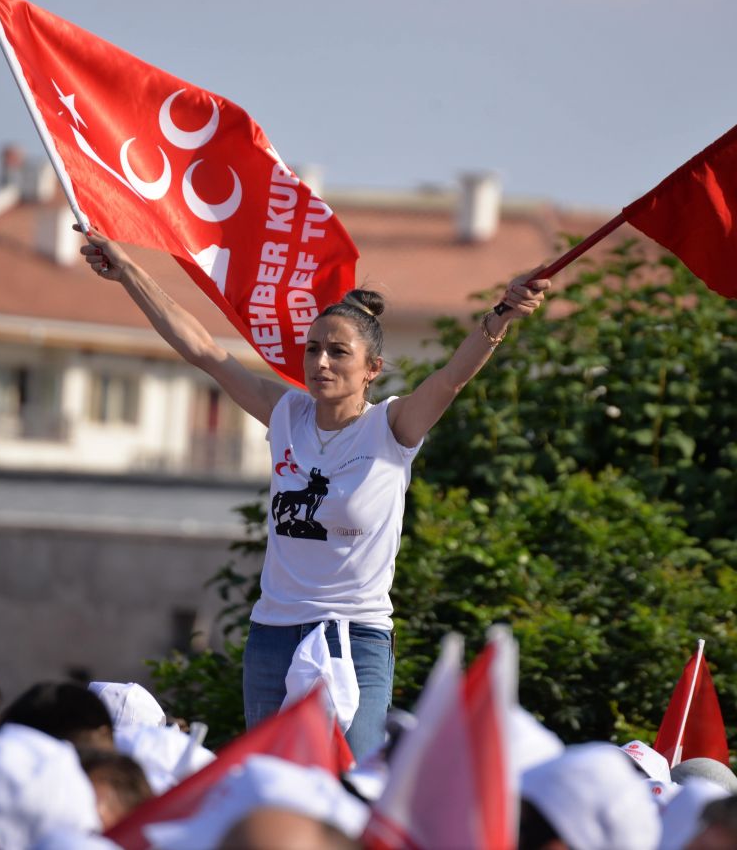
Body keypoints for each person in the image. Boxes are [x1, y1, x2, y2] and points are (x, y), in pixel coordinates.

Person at [78, 225, 550, 757]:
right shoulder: (286, 415)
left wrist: (502, 315)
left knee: (347, 783)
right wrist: (128, 273)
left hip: (356, 637)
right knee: (270, 779)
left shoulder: (391, 429)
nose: (321, 362)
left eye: (338, 353)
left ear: (372, 370)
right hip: (273, 634)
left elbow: (449, 380)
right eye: (313, 349)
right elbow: (205, 351)